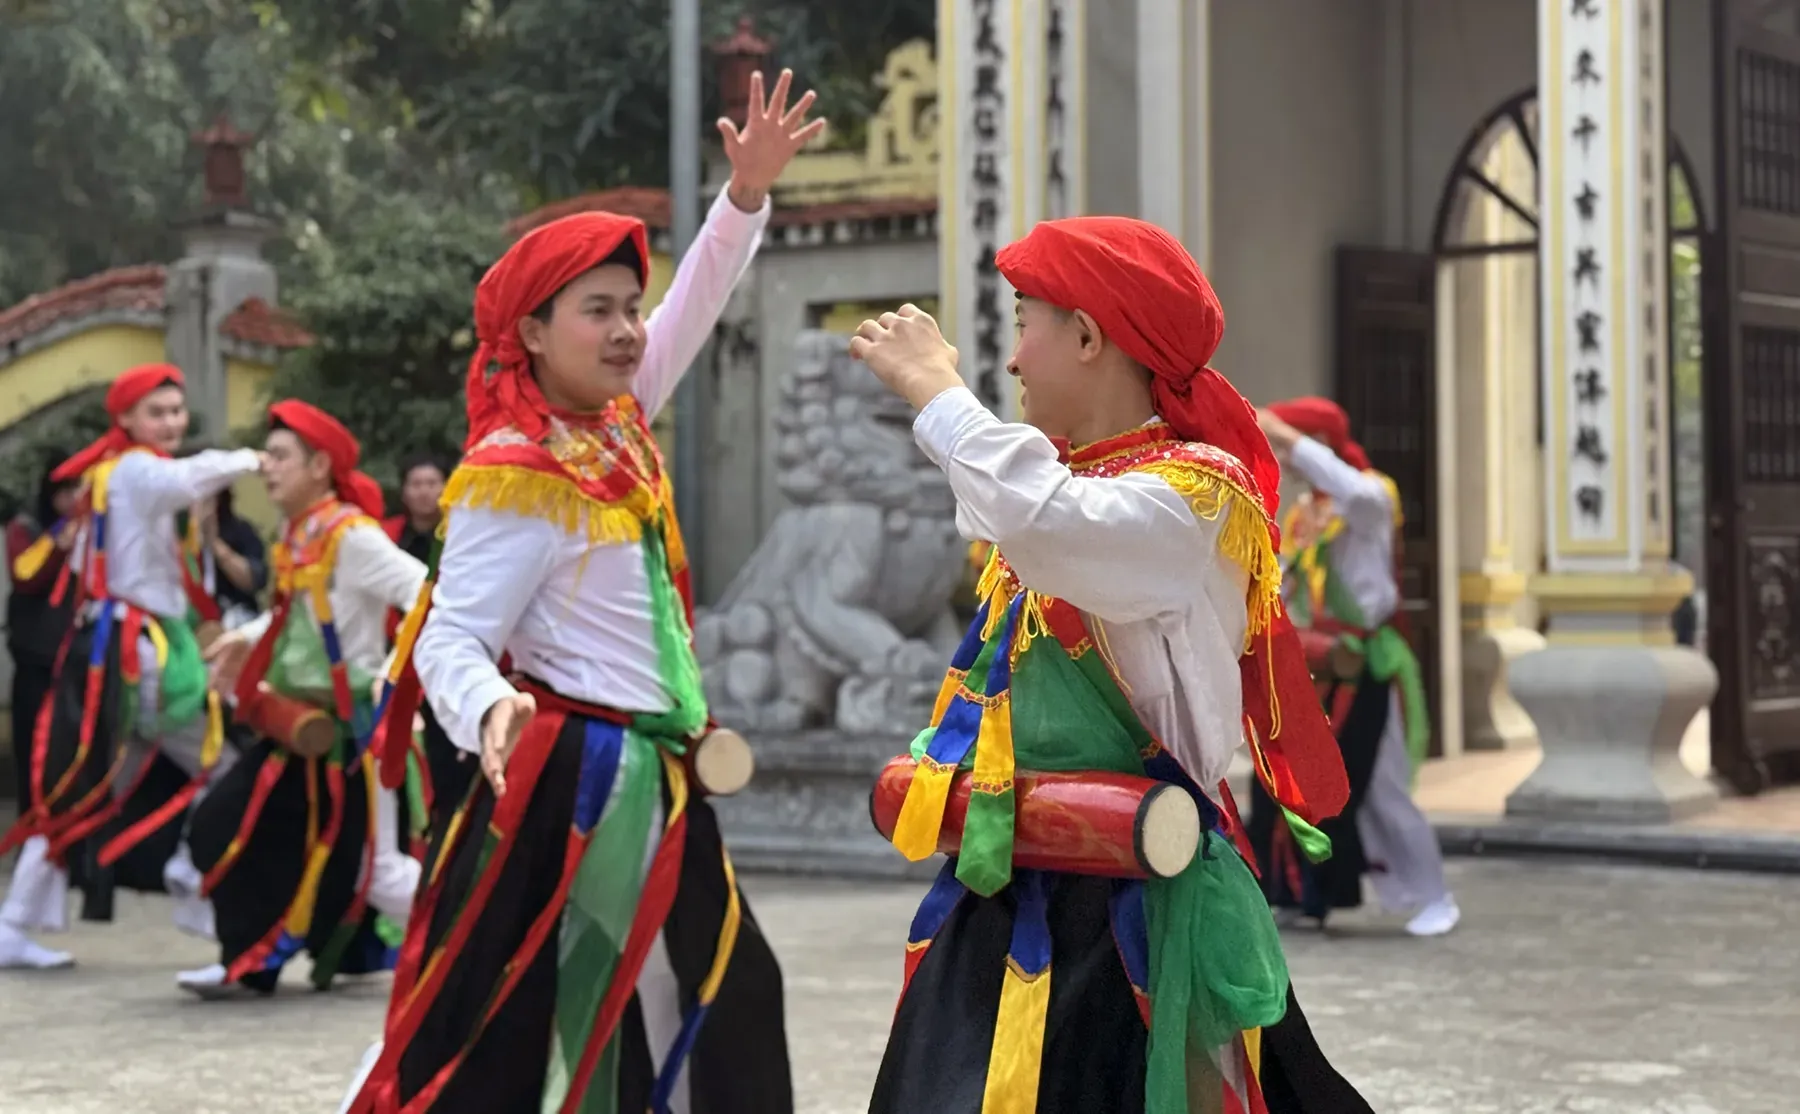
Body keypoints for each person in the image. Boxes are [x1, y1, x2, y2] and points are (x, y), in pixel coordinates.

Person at [339, 69, 820, 1114]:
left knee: (679, 999)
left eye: (628, 310)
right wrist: (490, 706)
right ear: (533, 333)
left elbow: (693, 307)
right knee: (596, 1009)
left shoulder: (613, 430)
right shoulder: (516, 473)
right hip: (587, 780)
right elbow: (449, 637)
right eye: (597, 310)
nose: (626, 330)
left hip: (655, 772)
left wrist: (742, 200)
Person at [850, 217, 1373, 1113]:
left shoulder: (1190, 494)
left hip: (1133, 912)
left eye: (1025, 325)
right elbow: (1031, 511)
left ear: (1088, 336)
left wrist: (939, 392)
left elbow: (1045, 525)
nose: (1011, 361)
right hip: (1007, 881)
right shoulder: (1074, 483)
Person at [0, 363, 262, 969]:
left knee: (84, 791)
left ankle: (15, 922)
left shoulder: (109, 472)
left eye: (176, 412)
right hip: (138, 653)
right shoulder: (141, 470)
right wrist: (253, 458)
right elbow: (191, 476)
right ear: (125, 420)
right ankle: (189, 873)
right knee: (223, 765)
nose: (171, 423)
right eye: (157, 413)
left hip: (123, 649)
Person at [178, 400, 427, 997]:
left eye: (281, 457)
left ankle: (486, 934)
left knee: (378, 871)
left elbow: (427, 592)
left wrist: (392, 671)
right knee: (234, 827)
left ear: (320, 465)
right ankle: (253, 957)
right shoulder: (299, 534)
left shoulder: (352, 537)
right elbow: (292, 623)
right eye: (266, 458)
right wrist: (242, 638)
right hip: (300, 725)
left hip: (354, 732)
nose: (268, 468)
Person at [1249, 398, 1459, 938]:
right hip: (1323, 660)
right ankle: (1305, 894)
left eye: (1291, 446)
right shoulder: (1307, 514)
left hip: (1369, 660)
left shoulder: (1369, 498)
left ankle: (1434, 895)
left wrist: (1291, 439)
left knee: (1381, 785)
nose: (1286, 457)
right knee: (1302, 780)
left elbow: (1353, 488)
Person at [381, 452, 467, 822]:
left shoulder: (461, 534)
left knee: (443, 745)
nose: (424, 492)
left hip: (444, 649)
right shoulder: (386, 537)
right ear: (404, 492)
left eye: (432, 483)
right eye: (415, 484)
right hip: (394, 653)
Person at [6, 458, 81, 812]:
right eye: (64, 492)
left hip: (76, 659)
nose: (71, 499)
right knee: (32, 751)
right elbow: (26, 577)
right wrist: (59, 546)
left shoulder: (90, 528)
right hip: (36, 660)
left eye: (77, 490)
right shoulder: (26, 528)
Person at [191, 484, 269, 631]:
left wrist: (213, 542)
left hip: (238, 615)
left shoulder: (240, 530)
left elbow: (255, 581)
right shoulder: (178, 538)